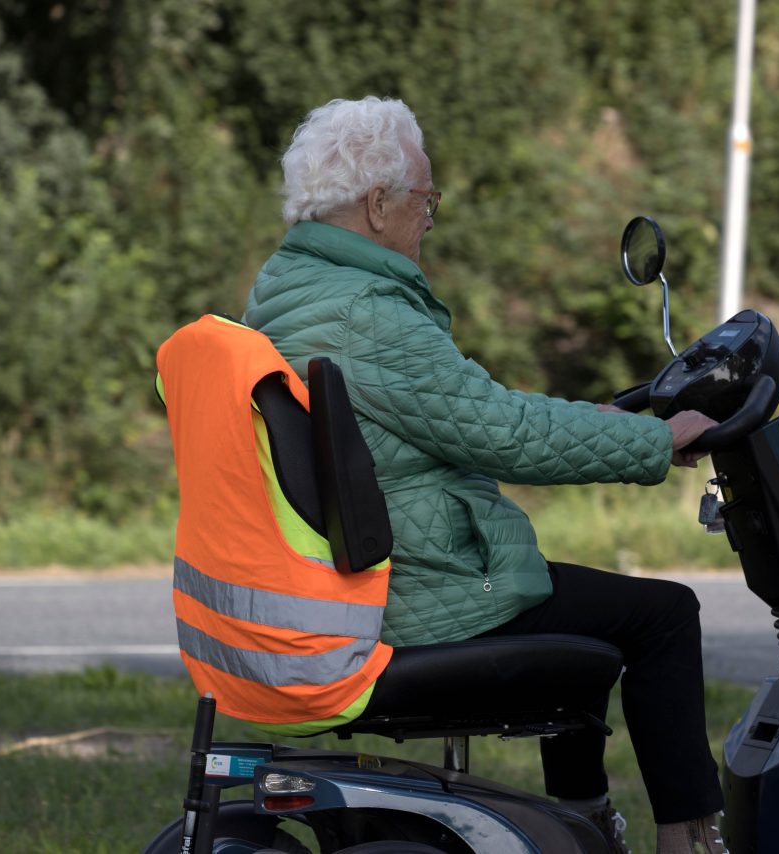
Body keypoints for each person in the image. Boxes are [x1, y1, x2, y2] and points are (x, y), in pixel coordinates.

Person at [244, 96, 729, 854]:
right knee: (661, 615)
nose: (431, 215)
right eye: (424, 198)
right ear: (377, 205)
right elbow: (503, 435)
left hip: (369, 580)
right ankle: (689, 841)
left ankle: (587, 826)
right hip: (420, 590)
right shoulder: (367, 313)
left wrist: (601, 423)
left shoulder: (290, 288)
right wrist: (651, 443)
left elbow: (465, 412)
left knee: (586, 614)